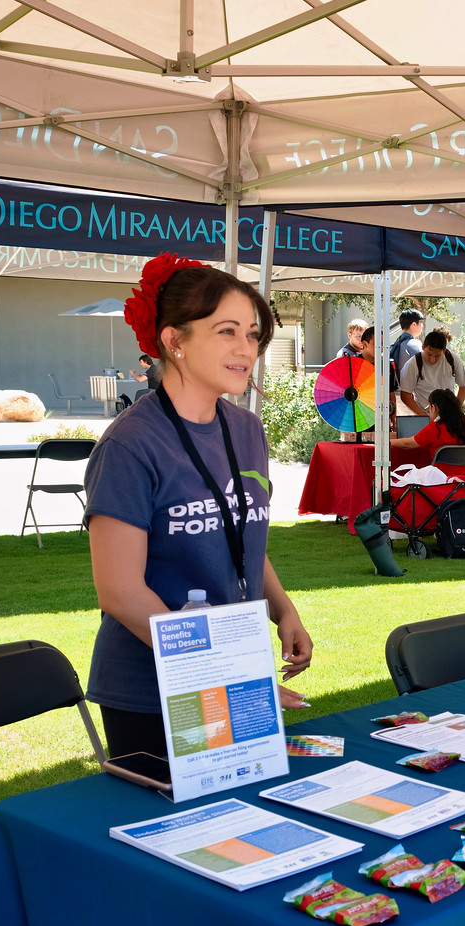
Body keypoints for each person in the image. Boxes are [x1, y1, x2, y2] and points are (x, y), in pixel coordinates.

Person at [83, 258, 314, 758]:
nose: (245, 349)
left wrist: (283, 610)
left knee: (247, 826)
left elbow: (240, 536)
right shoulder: (130, 445)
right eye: (226, 331)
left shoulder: (248, 431)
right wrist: (229, 681)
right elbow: (120, 592)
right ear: (175, 341)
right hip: (152, 691)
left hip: (236, 665)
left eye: (253, 334)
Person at [394, 329, 465, 420]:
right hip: (423, 413)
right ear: (422, 347)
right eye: (429, 354)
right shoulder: (413, 364)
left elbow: (464, 386)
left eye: (437, 356)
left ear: (444, 351)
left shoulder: (453, 359)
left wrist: (455, 410)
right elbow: (405, 395)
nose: (432, 359)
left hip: (448, 416)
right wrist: (425, 418)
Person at [390, 389, 465, 455]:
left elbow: (408, 443)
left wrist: (387, 441)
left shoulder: (435, 428)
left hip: (443, 477)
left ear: (433, 407)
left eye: (429, 407)